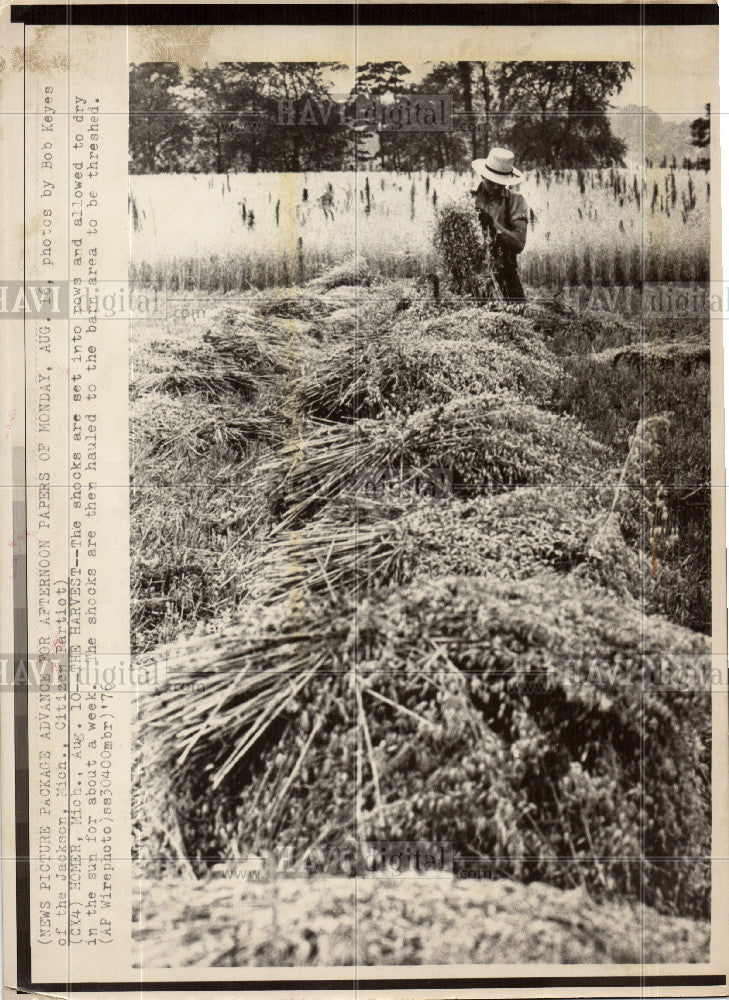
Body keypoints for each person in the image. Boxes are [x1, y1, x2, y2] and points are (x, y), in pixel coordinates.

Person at [471, 148, 528, 301]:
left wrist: (493, 226)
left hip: (505, 273)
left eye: (501, 184)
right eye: (492, 182)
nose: (496, 187)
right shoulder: (467, 200)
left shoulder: (516, 201)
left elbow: (519, 242)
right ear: (483, 175)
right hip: (472, 273)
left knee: (516, 315)